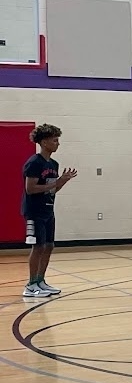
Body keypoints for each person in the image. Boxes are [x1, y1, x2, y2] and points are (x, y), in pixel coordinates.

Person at [22, 124, 77, 298]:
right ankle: (31, 285)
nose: (58, 144)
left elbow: (52, 189)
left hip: (48, 210)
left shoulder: (53, 163)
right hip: (34, 211)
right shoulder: (34, 163)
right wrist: (54, 183)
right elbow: (30, 188)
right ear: (44, 142)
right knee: (38, 247)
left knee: (49, 246)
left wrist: (62, 181)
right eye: (55, 140)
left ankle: (40, 281)